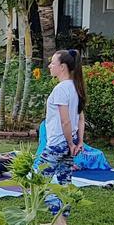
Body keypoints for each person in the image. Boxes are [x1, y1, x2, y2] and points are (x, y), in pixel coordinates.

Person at [38, 49, 87, 188]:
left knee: (39, 184)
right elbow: (81, 119)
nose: (50, 66)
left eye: (53, 63)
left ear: (62, 67)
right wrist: (79, 142)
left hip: (58, 143)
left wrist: (71, 143)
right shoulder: (76, 87)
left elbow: (66, 121)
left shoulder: (61, 89)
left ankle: (53, 209)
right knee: (64, 182)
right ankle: (63, 210)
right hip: (69, 141)